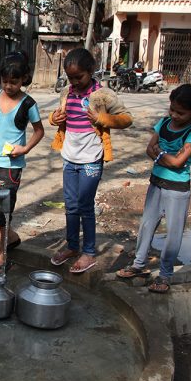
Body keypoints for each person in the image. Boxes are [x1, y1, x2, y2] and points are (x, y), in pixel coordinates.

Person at [48, 48, 132, 274]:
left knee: (85, 205)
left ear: (91, 70)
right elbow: (57, 117)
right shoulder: (66, 92)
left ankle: (89, 252)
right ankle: (72, 246)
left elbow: (126, 119)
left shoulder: (104, 95)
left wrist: (102, 118)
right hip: (69, 158)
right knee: (71, 205)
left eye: (79, 77)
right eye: (71, 78)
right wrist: (53, 118)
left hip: (91, 160)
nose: (75, 82)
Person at [115, 84, 191, 293]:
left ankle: (165, 276)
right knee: (146, 225)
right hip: (156, 182)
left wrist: (160, 154)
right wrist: (166, 157)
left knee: (173, 233)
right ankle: (138, 265)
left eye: (180, 113)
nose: (174, 115)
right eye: (172, 109)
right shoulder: (163, 123)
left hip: (177, 189)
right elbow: (149, 149)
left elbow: (178, 163)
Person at [0, 51, 45, 271]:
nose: (9, 86)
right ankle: (10, 236)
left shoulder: (28, 104)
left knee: (4, 214)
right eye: (5, 81)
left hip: (10, 168)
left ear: (24, 79)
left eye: (14, 82)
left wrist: (25, 148)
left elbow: (39, 131)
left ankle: (3, 252)